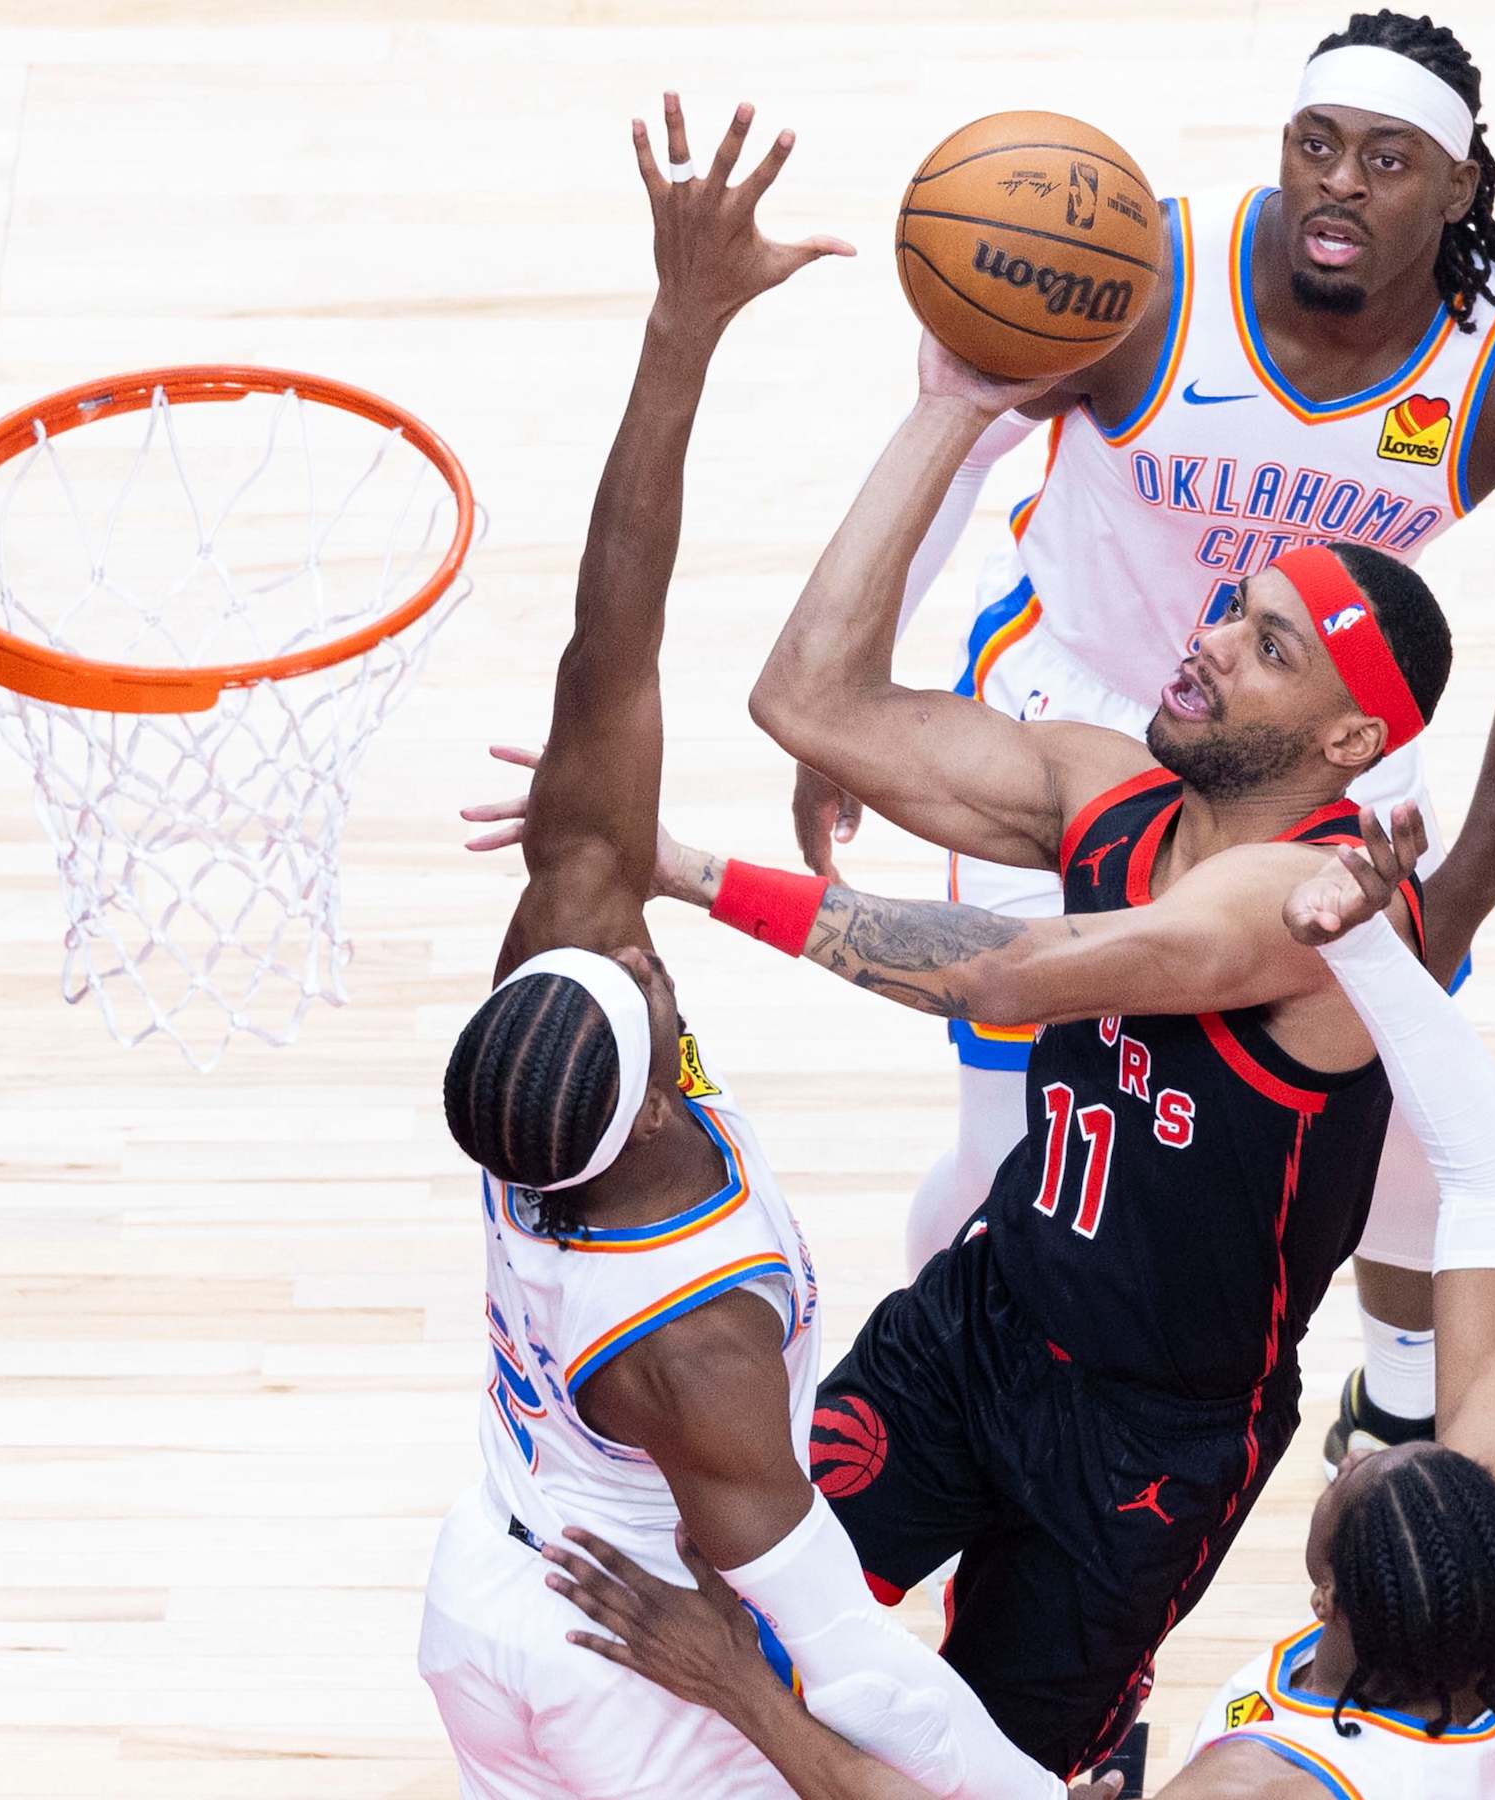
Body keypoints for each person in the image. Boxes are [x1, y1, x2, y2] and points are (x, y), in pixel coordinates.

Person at [474, 309, 1454, 1775]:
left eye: (1269, 646)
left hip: (1150, 1441)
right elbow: (808, 701)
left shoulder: (1310, 909)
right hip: (981, 1324)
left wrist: (700, 880)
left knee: (973, 1771)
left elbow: (1002, 971)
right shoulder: (1107, 791)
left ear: (1349, 742)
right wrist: (949, 410)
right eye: (1229, 610)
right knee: (736, 1617)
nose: (1207, 642)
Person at [793, 8, 1495, 1474]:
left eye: (1387, 159)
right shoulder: (1137, 283)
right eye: (1316, 144)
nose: (1339, 182)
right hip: (1076, 719)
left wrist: (1468, 894)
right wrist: (851, 707)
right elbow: (960, 445)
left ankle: (1400, 1395)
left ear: (1457, 186)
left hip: (1320, 756)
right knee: (1022, 1154)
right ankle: (959, 1403)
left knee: (1396, 1136)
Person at [424, 93, 1063, 1800]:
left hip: (488, 1594)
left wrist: (680, 326)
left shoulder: (551, 1066)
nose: (639, 953)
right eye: (645, 986)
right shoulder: (695, 1337)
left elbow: (609, 645)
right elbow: (847, 1657)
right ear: (644, 1101)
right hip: (630, 1667)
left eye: (619, 958)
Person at [541, 827, 1495, 1800]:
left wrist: (738, 1688)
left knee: (940, 1734)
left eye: (1363, 1483)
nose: (1375, 1455)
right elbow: (1493, 1180)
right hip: (1003, 1343)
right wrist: (1367, 948)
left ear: (1328, 1602)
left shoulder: (1256, 1786)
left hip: (1160, 1449)